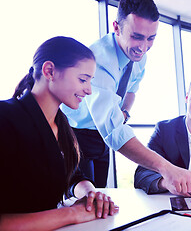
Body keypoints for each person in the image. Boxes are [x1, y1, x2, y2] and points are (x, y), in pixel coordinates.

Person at [61, 0, 191, 194]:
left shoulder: (139, 55)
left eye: (151, 38)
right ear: (116, 27)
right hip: (73, 133)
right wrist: (167, 169)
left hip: (101, 137)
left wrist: (125, 112)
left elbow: (132, 89)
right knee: (84, 198)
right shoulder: (99, 62)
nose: (143, 47)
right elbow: (113, 130)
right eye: (137, 36)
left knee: (102, 195)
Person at [0, 36, 118, 230]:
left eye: (90, 81)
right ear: (49, 71)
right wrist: (71, 213)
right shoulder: (5, 118)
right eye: (83, 79)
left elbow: (71, 174)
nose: (88, 90)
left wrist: (90, 194)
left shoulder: (62, 125)